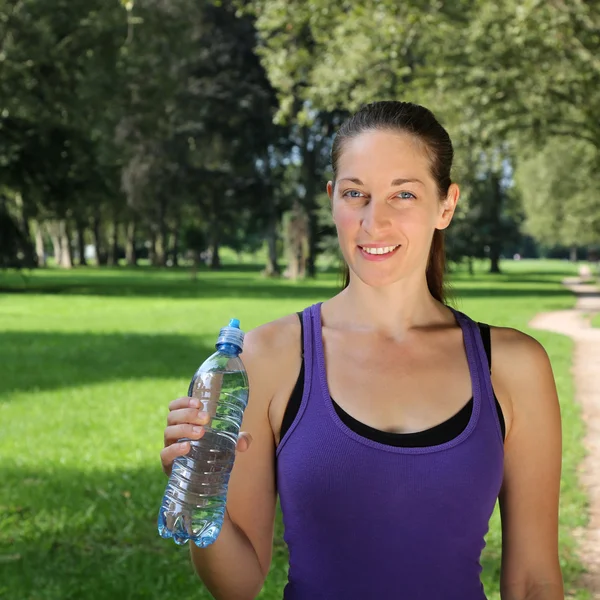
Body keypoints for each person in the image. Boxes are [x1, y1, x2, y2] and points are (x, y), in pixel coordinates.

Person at [160, 101, 564, 599]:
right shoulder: (266, 358)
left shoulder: (514, 366)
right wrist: (200, 489)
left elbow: (534, 582)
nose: (375, 221)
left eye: (403, 195)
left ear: (446, 205)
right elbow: (239, 583)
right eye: (357, 194)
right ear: (333, 200)